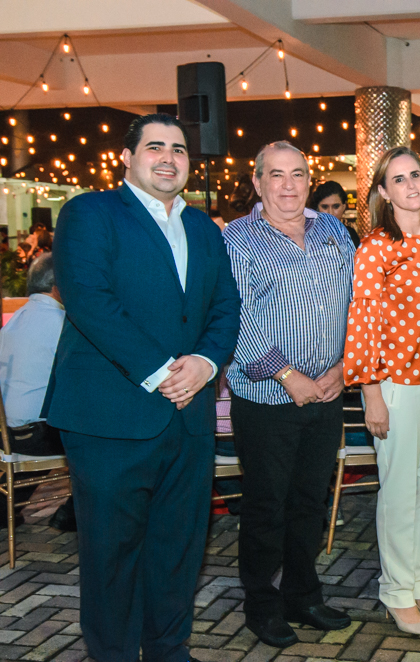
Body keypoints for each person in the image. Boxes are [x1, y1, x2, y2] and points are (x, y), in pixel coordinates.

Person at [47, 113, 241, 662]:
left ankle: (167, 650)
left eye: (178, 149)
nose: (168, 158)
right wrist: (162, 373)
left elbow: (225, 305)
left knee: (178, 547)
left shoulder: (204, 227)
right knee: (111, 553)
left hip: (189, 414)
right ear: (127, 158)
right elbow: (89, 300)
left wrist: (205, 362)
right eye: (155, 147)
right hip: (110, 416)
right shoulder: (90, 212)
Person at [223, 141, 354, 648]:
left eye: (297, 174)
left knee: (309, 502)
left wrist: (344, 367)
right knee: (266, 506)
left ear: (308, 180)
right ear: (258, 183)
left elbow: (357, 304)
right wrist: (286, 374)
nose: (288, 185)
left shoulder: (333, 231)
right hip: (266, 398)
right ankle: (262, 605)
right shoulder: (236, 238)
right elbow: (233, 317)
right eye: (276, 175)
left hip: (327, 392)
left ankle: (303, 595)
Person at [343, 146, 420, 635]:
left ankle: (419, 583)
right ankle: (395, 590)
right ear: (383, 192)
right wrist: (371, 392)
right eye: (399, 179)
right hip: (393, 385)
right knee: (399, 490)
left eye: (416, 175)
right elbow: (362, 321)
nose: (411, 185)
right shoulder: (376, 247)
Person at [0, 254, 75, 530]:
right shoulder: (62, 323)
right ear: (58, 286)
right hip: (37, 436)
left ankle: (4, 508)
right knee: (100, 437)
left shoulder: (14, 321)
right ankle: (73, 513)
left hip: (7, 434)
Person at [309, 180, 361, 247]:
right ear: (317, 208)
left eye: (336, 206)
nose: (330, 212)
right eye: (325, 207)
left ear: (344, 207)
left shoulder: (351, 234)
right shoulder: (308, 236)